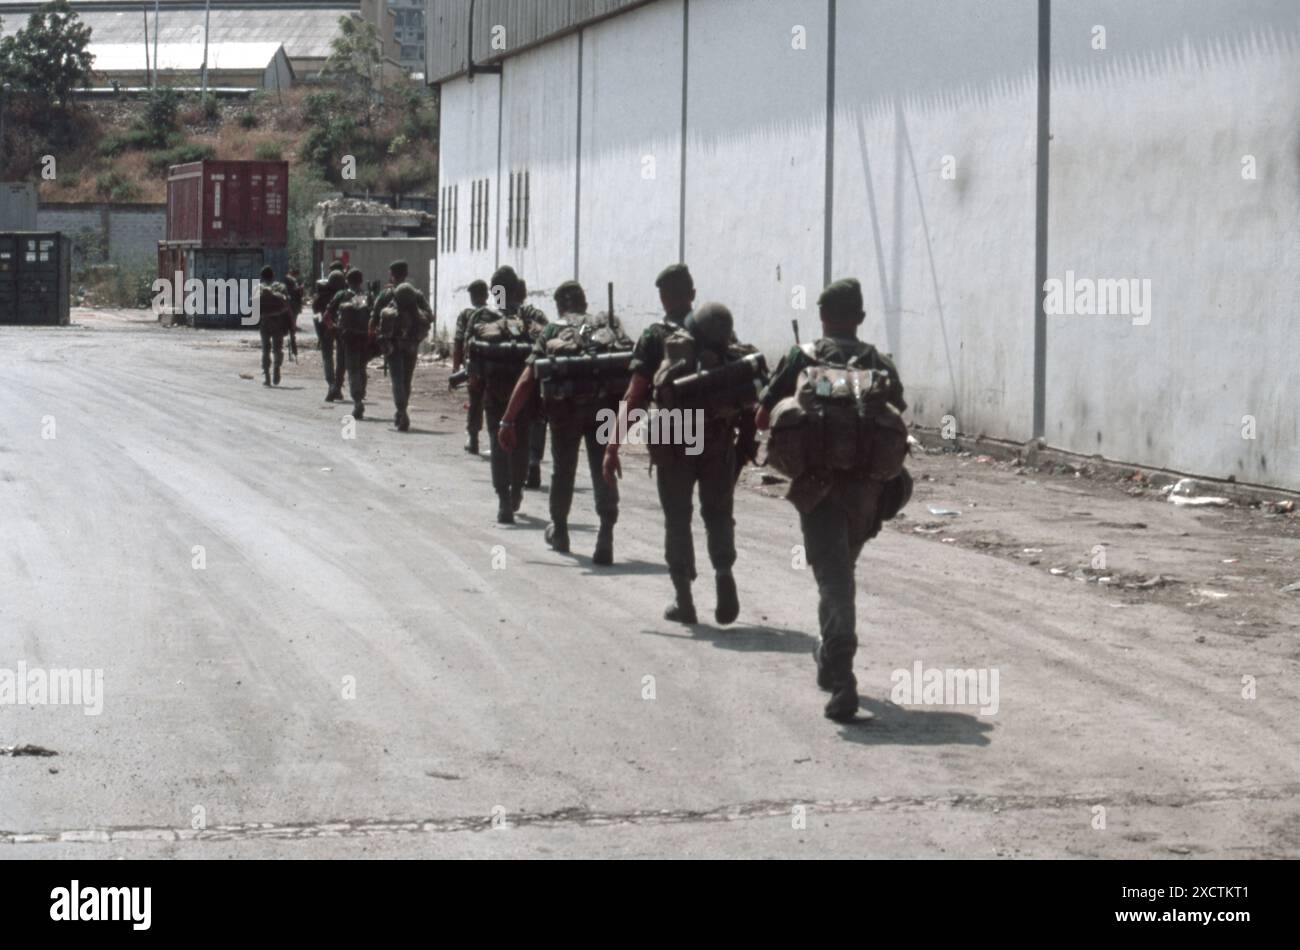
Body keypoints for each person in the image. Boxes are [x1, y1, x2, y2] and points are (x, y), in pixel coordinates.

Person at [756, 278, 909, 722]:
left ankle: (843, 680)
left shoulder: (802, 357)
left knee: (833, 581)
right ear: (860, 318)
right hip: (867, 491)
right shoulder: (879, 363)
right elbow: (897, 414)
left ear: (822, 316)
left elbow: (764, 414)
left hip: (817, 489)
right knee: (843, 572)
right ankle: (829, 658)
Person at [602, 264, 742, 626]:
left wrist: (612, 445)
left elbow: (635, 395)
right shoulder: (717, 331)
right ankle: (724, 573)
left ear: (663, 297)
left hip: (673, 434)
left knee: (677, 518)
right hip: (716, 435)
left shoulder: (654, 336)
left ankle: (685, 600)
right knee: (718, 513)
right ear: (692, 294)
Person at [499, 280, 628, 563]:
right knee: (602, 470)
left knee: (563, 472)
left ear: (559, 305)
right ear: (583, 301)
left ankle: (560, 531)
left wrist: (508, 420)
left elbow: (528, 377)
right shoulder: (608, 326)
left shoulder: (553, 330)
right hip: (604, 409)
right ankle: (605, 533)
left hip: (564, 412)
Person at [466, 266, 538, 523]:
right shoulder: (532, 318)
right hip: (525, 392)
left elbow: (472, 360)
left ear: (495, 289)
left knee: (498, 442)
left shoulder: (481, 318)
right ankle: (517, 489)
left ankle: (503, 500)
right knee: (521, 442)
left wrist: (476, 386)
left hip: (494, 391)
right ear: (517, 288)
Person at [373, 277, 433, 432]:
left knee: (397, 381)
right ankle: (402, 411)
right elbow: (430, 316)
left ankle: (401, 411)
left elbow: (380, 328)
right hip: (411, 348)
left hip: (393, 349)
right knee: (406, 381)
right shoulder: (418, 310)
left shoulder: (390, 309)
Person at [325, 268, 372, 419]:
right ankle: (360, 393)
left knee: (345, 366)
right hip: (363, 337)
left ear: (347, 281)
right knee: (360, 367)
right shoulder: (366, 296)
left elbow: (327, 315)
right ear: (361, 280)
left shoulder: (341, 295)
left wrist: (332, 327)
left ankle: (354, 399)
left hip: (345, 336)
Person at [453, 280, 490, 453]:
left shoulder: (467, 314)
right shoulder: (496, 314)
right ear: (487, 295)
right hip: (494, 367)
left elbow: (458, 341)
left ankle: (473, 437)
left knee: (475, 401)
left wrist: (455, 368)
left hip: (474, 367)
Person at [312, 264, 347, 402]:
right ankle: (337, 386)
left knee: (327, 357)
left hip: (326, 328)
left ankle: (332, 385)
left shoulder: (323, 294)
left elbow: (315, 310)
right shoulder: (345, 294)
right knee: (341, 358)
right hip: (340, 329)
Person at [256, 266, 292, 387]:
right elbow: (288, 304)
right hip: (278, 321)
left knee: (265, 350)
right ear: (273, 275)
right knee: (278, 348)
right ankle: (277, 367)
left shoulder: (258, 288)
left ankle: (267, 376)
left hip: (265, 321)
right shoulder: (280, 287)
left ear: (262, 276)